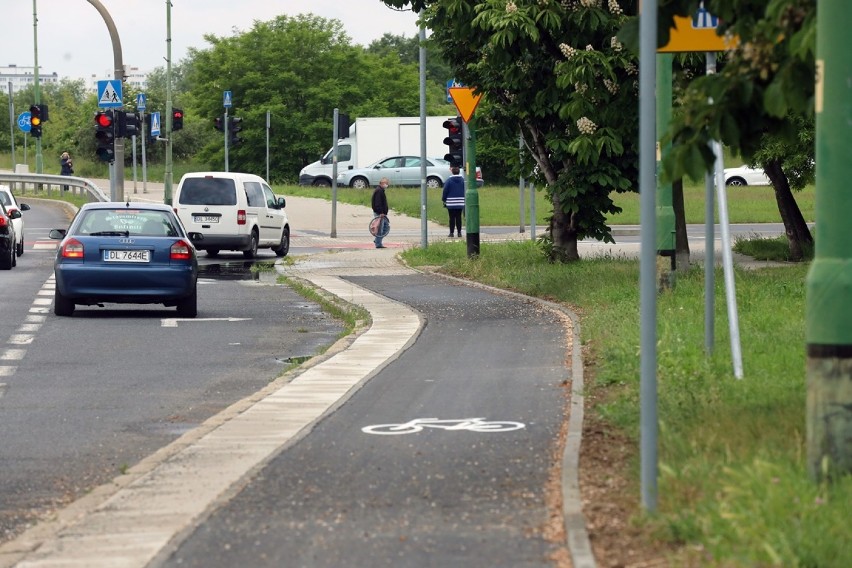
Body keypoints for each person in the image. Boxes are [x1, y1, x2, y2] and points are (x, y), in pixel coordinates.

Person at [442, 165, 465, 237]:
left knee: (451, 218)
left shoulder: (448, 181)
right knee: (459, 217)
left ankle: (451, 233)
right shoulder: (463, 180)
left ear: (452, 172)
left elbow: (445, 190)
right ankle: (459, 232)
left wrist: (444, 199)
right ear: (459, 172)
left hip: (451, 202)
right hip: (460, 202)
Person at [371, 177, 390, 249]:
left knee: (386, 227)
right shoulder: (379, 191)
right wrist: (381, 212)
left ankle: (377, 240)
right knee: (380, 228)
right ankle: (378, 243)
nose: (387, 185)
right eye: (386, 183)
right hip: (379, 213)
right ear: (382, 183)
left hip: (382, 213)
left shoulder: (381, 190)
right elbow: (378, 203)